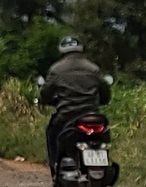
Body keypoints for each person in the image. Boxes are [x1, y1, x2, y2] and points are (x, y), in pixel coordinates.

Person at [38, 36, 110, 175]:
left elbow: (45, 94)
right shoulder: (94, 68)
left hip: (66, 116)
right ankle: (106, 161)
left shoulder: (56, 69)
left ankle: (55, 166)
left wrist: (46, 100)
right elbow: (105, 94)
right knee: (105, 132)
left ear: (62, 50)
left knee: (51, 133)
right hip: (92, 115)